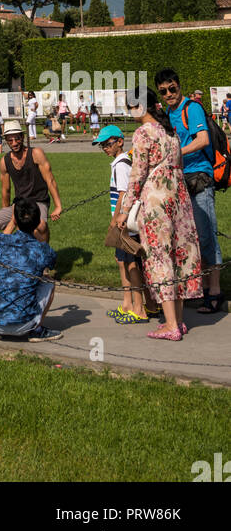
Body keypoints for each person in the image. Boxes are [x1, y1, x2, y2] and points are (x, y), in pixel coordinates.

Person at [118, 88, 202, 339]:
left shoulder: (143, 133)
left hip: (156, 202)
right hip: (179, 199)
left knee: (160, 258)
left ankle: (170, 325)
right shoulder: (170, 131)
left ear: (138, 107)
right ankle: (179, 320)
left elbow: (137, 176)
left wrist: (124, 211)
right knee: (180, 257)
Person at [155, 67, 223, 315]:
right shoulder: (167, 113)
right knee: (187, 238)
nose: (169, 93)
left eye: (172, 88)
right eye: (164, 91)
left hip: (199, 177)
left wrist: (175, 154)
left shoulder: (190, 108)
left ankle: (214, 291)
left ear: (179, 85)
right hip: (179, 179)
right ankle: (200, 287)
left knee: (206, 235)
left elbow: (202, 139)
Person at [0, 198, 62, 341]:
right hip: (23, 324)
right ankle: (36, 330)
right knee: (48, 282)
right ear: (38, 222)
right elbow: (50, 260)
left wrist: (12, 221)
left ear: (15, 220)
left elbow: (1, 240)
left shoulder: (0, 242)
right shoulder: (42, 250)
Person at [94, 124, 149, 323]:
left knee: (131, 263)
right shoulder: (118, 163)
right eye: (102, 146)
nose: (105, 148)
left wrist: (116, 219)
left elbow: (124, 194)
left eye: (108, 144)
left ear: (119, 141)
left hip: (123, 221)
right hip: (121, 220)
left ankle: (139, 307)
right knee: (122, 262)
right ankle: (128, 303)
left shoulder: (122, 164)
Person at [0, 120, 62, 244]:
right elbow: (5, 190)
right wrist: (6, 212)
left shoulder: (36, 153)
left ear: (22, 137)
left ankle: (44, 257)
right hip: (19, 204)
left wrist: (58, 206)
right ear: (6, 141)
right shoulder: (5, 161)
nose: (14, 143)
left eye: (17, 139)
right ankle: (7, 253)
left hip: (39, 201)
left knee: (41, 226)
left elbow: (50, 180)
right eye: (10, 140)